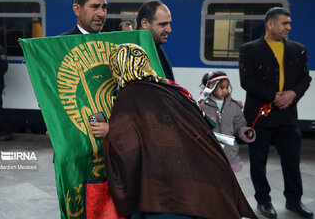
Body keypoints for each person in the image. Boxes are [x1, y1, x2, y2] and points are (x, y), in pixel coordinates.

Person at [104, 43, 257, 219]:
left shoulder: (129, 96)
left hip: (169, 195)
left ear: (118, 68)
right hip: (208, 177)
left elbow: (126, 144)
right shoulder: (170, 88)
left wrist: (109, 132)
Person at [239, 7, 313, 219]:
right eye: (284, 23)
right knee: (258, 161)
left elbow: (305, 79)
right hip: (260, 116)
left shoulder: (298, 49)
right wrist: (274, 96)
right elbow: (247, 80)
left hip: (287, 115)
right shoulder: (249, 49)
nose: (289, 27)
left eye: (289, 23)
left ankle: (294, 201)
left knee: (291, 161)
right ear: (270, 25)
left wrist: (292, 94)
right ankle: (264, 201)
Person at [60, 0, 109, 137]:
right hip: (73, 133)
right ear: (77, 9)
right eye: (95, 7)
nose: (101, 13)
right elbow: (49, 91)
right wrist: (53, 122)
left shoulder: (113, 45)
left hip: (110, 138)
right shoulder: (60, 46)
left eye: (104, 7)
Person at [198, 71, 255, 173]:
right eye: (222, 87)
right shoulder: (202, 106)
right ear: (212, 87)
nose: (225, 90)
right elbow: (196, 126)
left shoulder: (234, 106)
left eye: (227, 87)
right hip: (209, 151)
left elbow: (239, 125)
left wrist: (245, 132)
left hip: (229, 154)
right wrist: (207, 122)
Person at [136, 0, 175, 81]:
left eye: (169, 24)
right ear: (145, 24)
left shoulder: (154, 47)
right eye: (163, 24)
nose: (169, 30)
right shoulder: (134, 54)